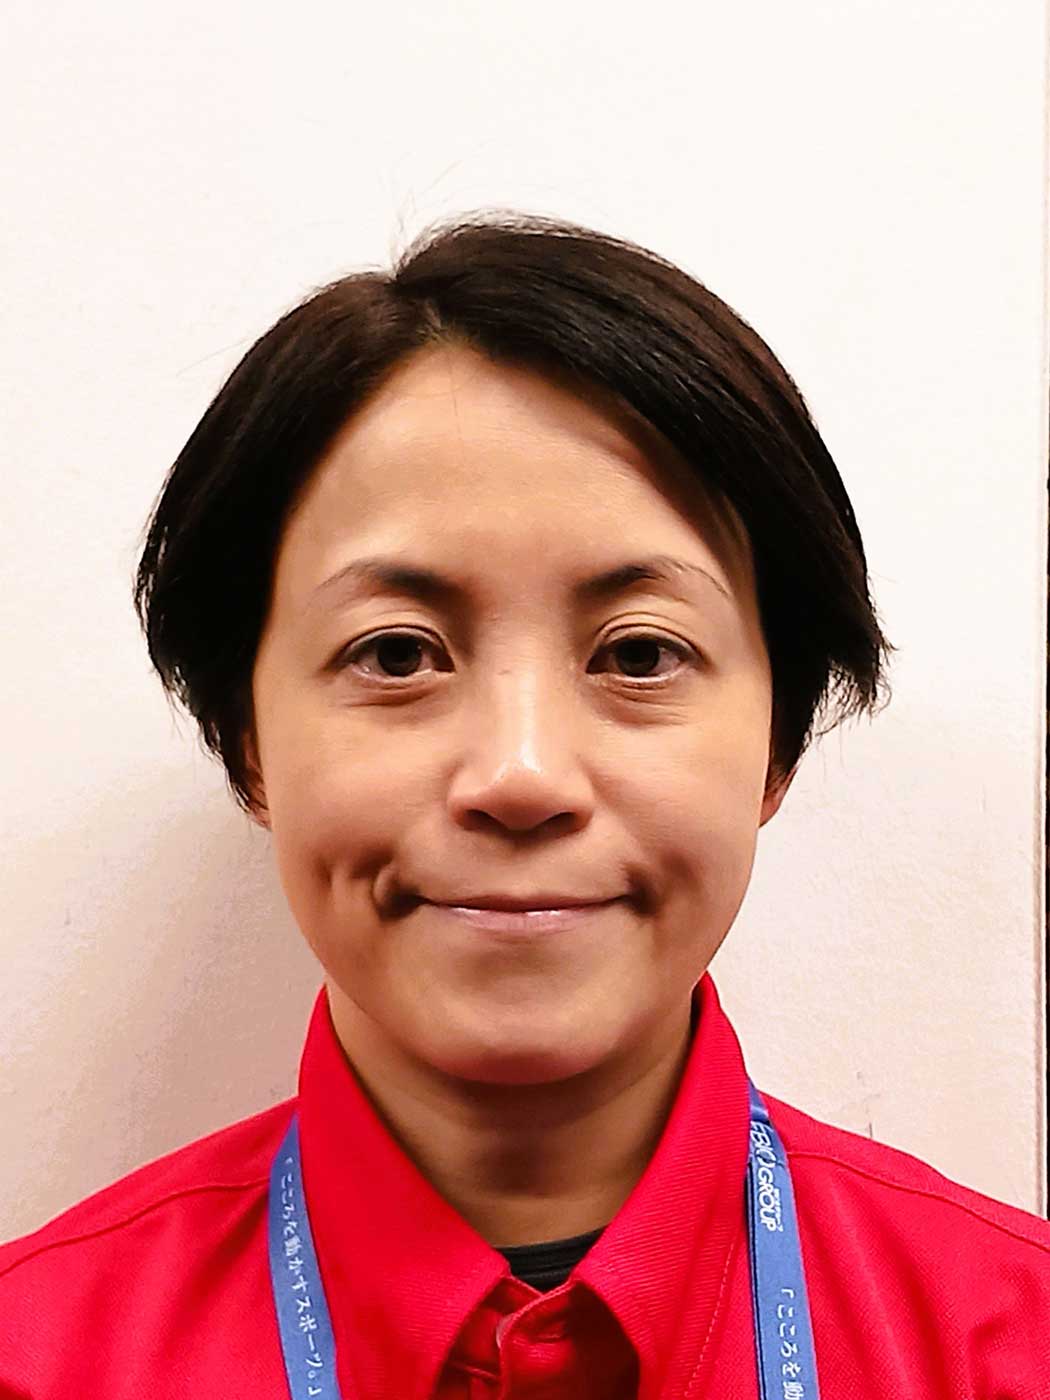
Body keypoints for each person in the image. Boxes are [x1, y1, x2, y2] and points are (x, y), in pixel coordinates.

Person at [1, 211, 1047, 1399]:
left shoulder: (1011, 1347)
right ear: (249, 743)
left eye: (639, 654)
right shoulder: (39, 1360)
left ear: (778, 742)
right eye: (397, 653)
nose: (522, 774)